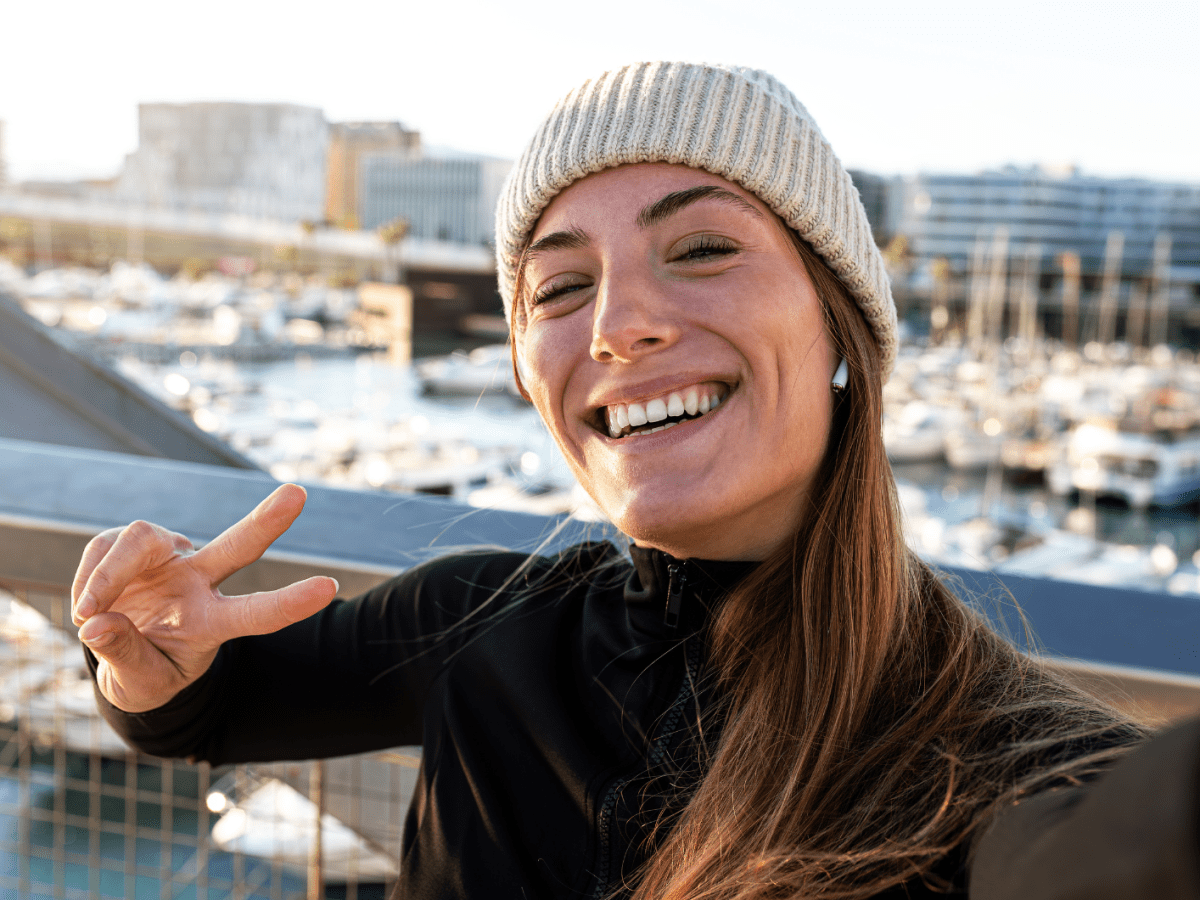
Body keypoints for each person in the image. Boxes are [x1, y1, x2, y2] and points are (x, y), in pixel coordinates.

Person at [72, 62, 1198, 899]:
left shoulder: (988, 756)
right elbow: (198, 714)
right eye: (561, 290)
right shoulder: (482, 622)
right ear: (526, 367)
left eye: (703, 249)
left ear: (842, 327)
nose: (620, 326)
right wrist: (149, 664)